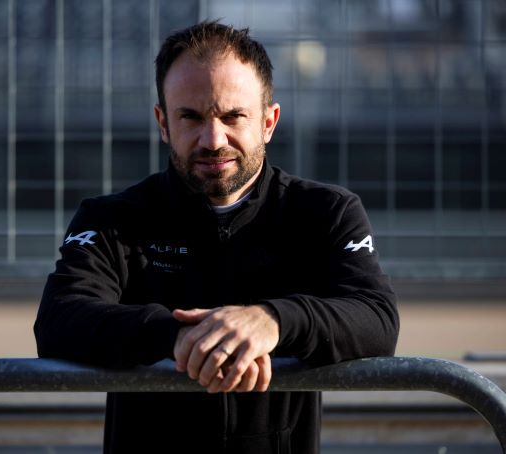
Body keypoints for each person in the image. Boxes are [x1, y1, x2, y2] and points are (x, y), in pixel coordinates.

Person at [34, 21, 399, 454]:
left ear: (268, 121)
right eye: (190, 116)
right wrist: (178, 336)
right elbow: (58, 320)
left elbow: (376, 319)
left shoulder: (324, 213)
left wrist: (272, 321)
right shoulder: (114, 218)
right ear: (163, 122)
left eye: (233, 116)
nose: (213, 139)